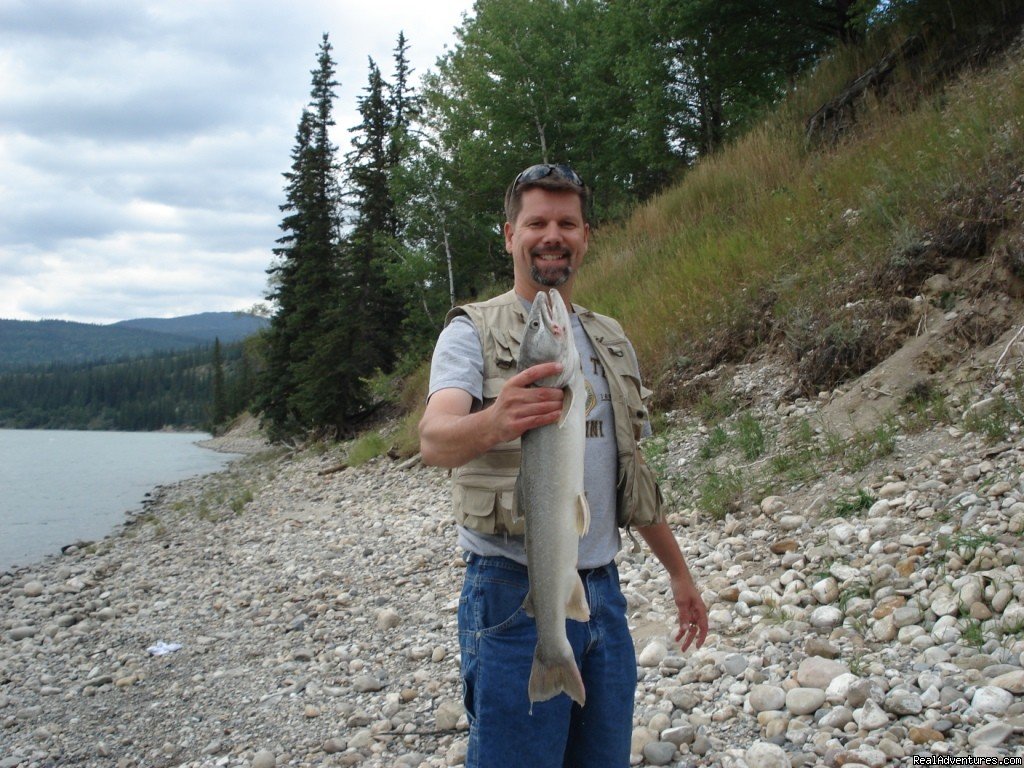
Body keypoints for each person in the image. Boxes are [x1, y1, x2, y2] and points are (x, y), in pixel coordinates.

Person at [418, 163, 708, 768]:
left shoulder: (609, 339)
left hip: (603, 592)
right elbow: (435, 441)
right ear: (509, 235)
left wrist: (679, 574)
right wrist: (497, 419)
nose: (552, 235)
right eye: (536, 222)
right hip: (511, 596)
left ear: (585, 236)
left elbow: (630, 474)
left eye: (566, 223)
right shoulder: (471, 331)